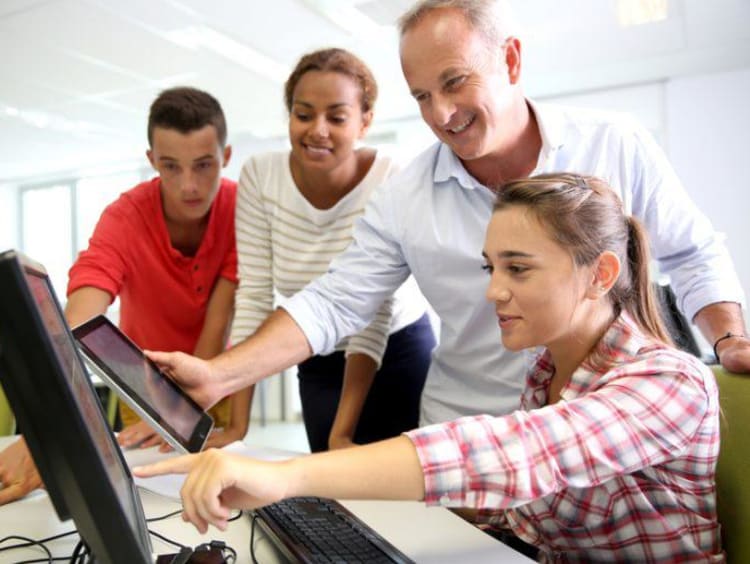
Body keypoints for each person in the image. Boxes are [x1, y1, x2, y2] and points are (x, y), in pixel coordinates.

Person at [140, 0, 747, 429]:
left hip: (599, 426)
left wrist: (729, 338)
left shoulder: (616, 143)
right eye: (422, 96)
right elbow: (334, 302)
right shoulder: (409, 194)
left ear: (510, 61)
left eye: (455, 82)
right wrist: (221, 375)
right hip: (469, 434)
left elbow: (691, 253)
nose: (441, 113)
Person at [137, 173, 723, 562]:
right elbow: (528, 507)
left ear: (599, 275)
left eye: (517, 269)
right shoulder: (551, 370)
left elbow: (518, 454)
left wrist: (291, 477)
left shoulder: (669, 382)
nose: (493, 291)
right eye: (490, 267)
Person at [0, 86, 252, 505]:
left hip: (216, 375)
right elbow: (80, 319)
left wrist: (192, 405)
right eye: (171, 166)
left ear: (225, 158)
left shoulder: (241, 206)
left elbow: (220, 320)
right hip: (144, 384)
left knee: (216, 495)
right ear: (152, 161)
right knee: (149, 495)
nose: (189, 185)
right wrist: (49, 424)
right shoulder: (125, 216)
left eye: (203, 165)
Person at [232, 48, 434, 452]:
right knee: (330, 490)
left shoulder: (389, 179)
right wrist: (237, 426)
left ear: (365, 122)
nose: (318, 130)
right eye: (304, 114)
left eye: (337, 117)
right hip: (315, 350)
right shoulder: (259, 176)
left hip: (395, 350)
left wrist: (343, 432)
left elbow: (373, 312)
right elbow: (254, 298)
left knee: (399, 493)